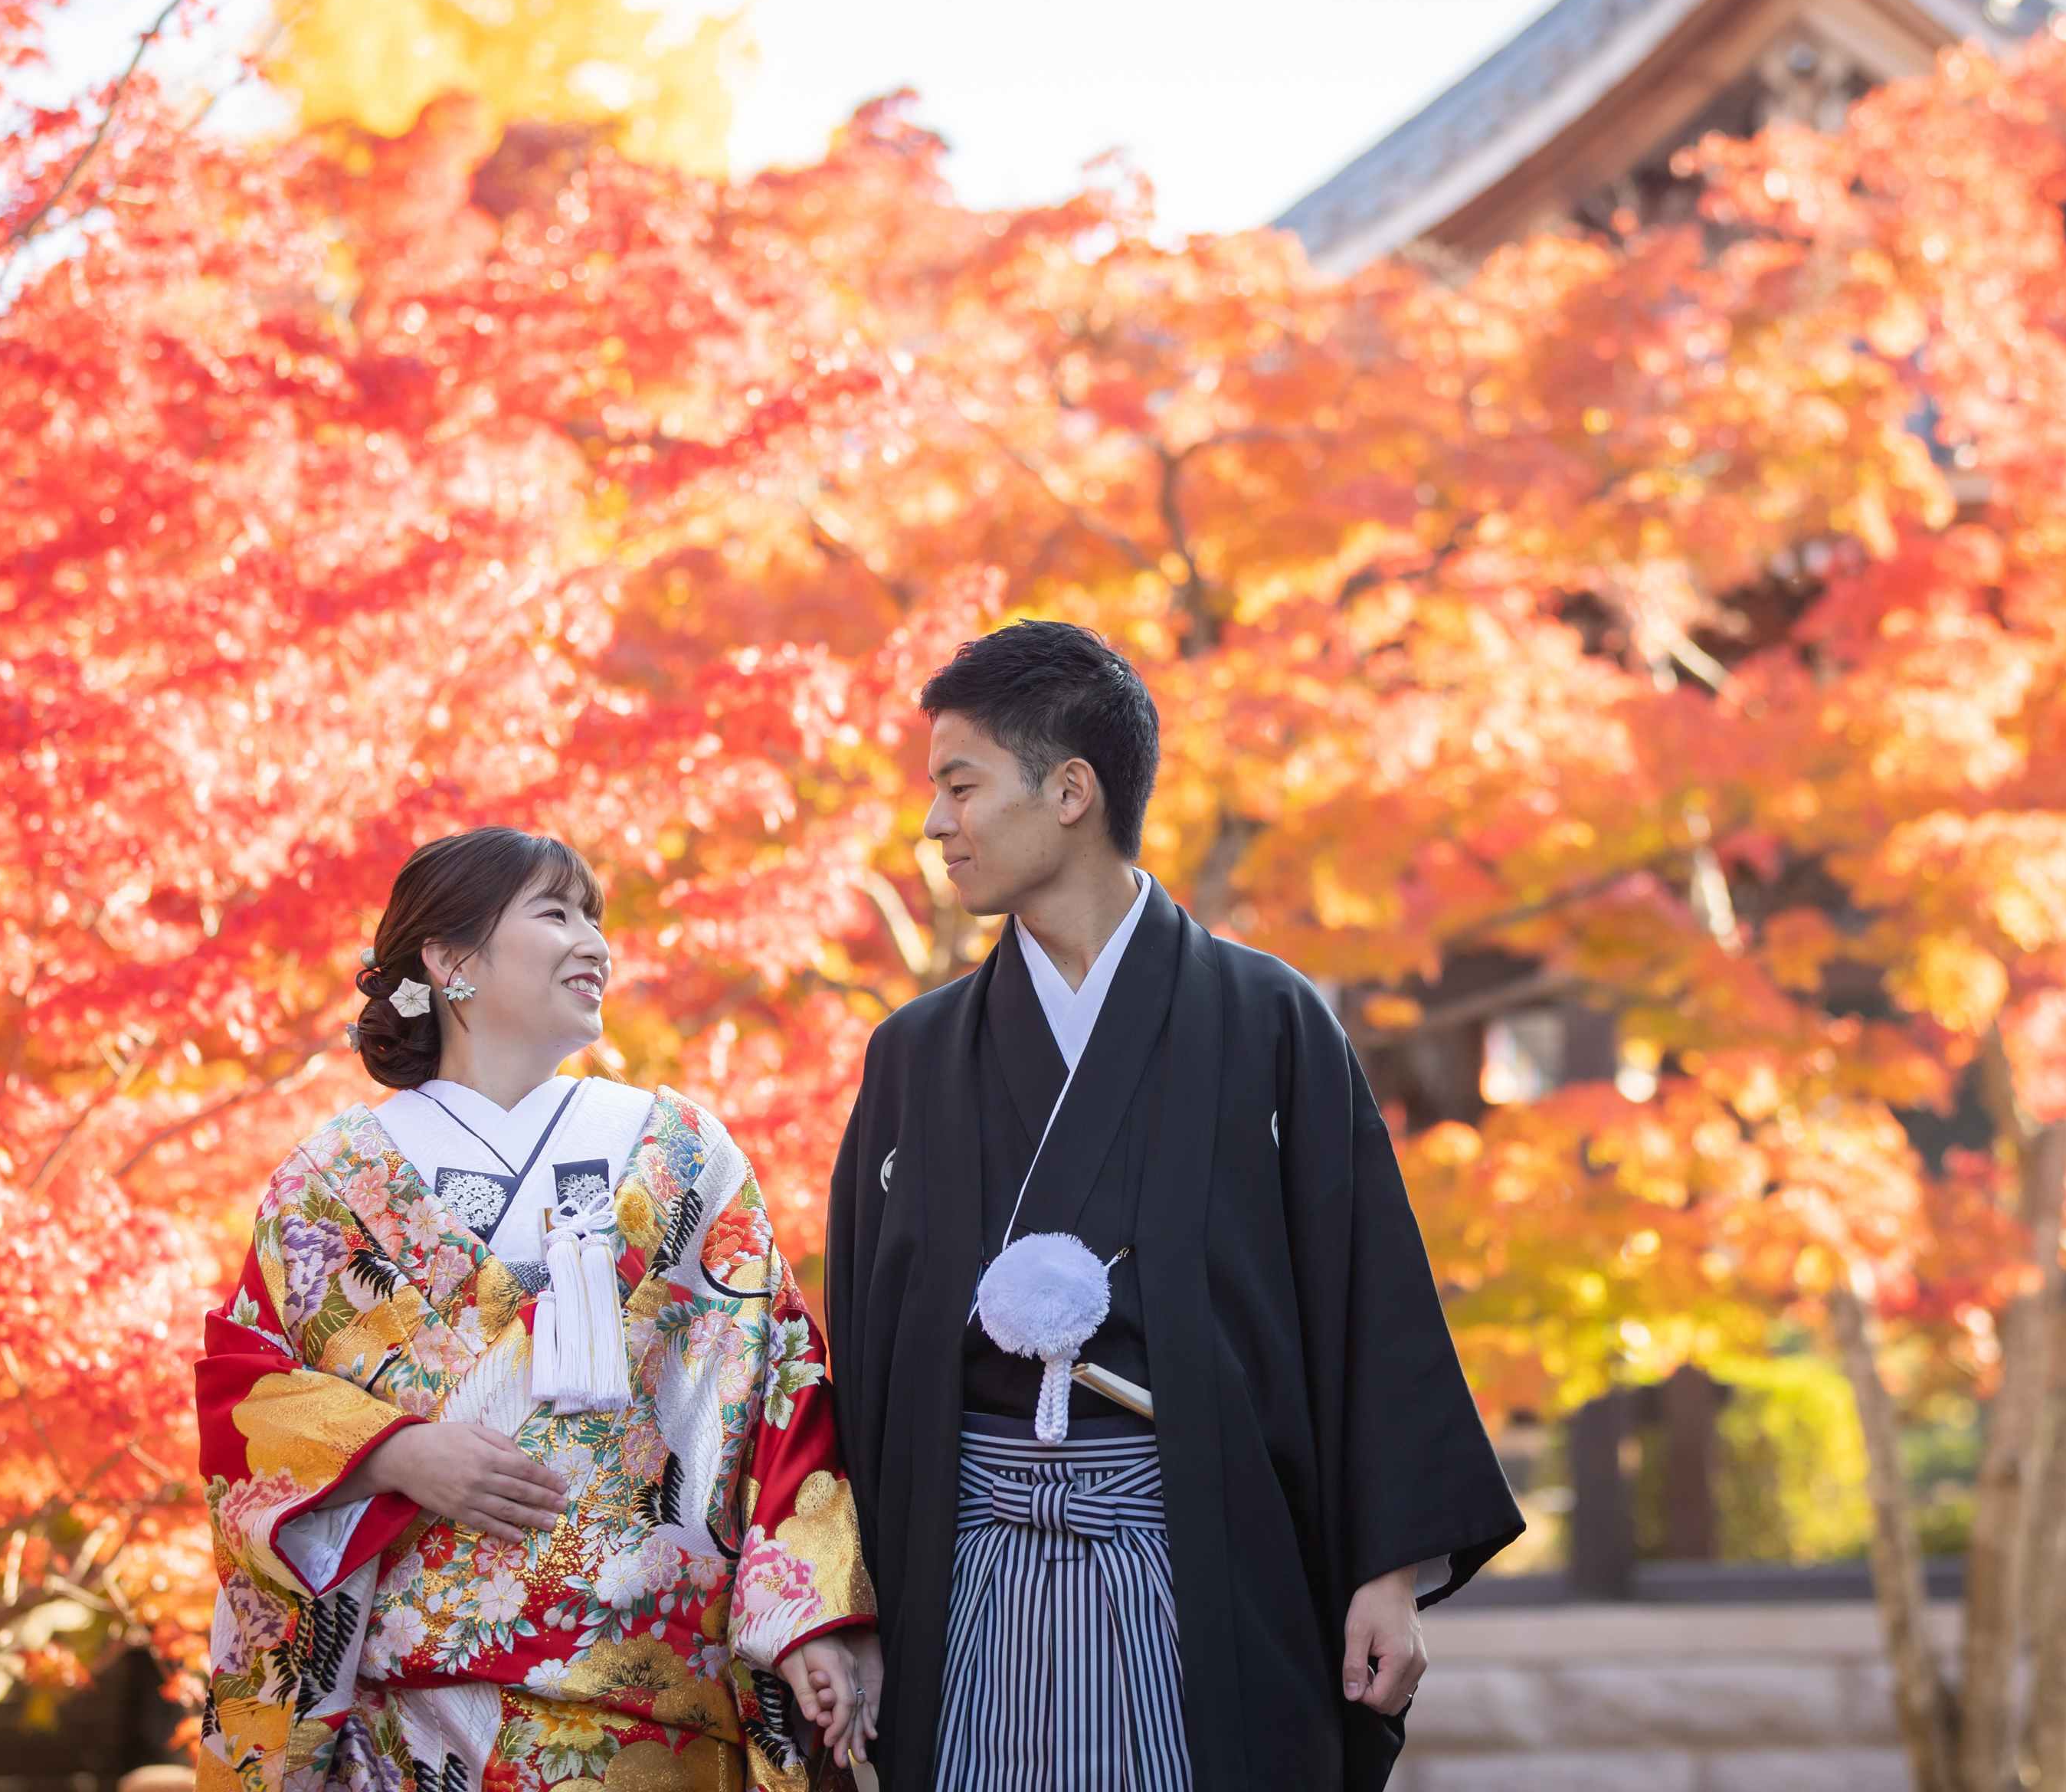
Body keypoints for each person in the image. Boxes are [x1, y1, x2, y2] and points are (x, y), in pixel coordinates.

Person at [825, 623, 1524, 1792]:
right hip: (963, 1559)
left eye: (960, 786)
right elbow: (868, 1345)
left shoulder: (1266, 1021)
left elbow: (1368, 1300)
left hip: (1199, 1541)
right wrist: (846, 1604)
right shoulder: (917, 1053)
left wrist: (1386, 1575)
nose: (935, 825)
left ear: (1070, 792)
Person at [197, 827, 880, 1791]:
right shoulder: (334, 1178)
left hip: (657, 1707)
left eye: (595, 918)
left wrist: (809, 1617)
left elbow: (782, 1385)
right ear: (450, 960)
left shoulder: (681, 1153)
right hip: (416, 1712)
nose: (593, 942)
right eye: (556, 913)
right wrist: (392, 1453)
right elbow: (247, 1397)